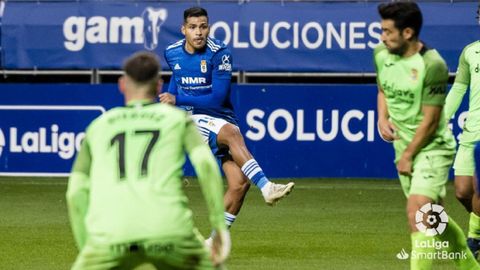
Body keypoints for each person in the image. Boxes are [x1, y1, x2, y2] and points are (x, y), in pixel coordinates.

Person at [66, 51, 230, 269]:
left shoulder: (99, 126)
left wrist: (89, 245)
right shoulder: (177, 119)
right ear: (159, 86)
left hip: (112, 235)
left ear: (122, 84)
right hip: (169, 231)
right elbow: (207, 166)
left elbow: (75, 192)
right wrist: (219, 225)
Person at [160, 6, 294, 232]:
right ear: (183, 30)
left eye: (203, 27)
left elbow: (217, 99)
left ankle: (214, 243)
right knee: (232, 134)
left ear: (208, 28)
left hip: (219, 117)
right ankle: (267, 187)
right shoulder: (172, 52)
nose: (198, 32)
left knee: (239, 184)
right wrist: (172, 109)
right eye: (193, 27)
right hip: (192, 118)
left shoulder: (220, 53)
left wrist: (176, 99)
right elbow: (177, 81)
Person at [374, 2, 479, 269]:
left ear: (407, 32)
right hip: (404, 146)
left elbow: (432, 119)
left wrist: (409, 155)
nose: (382, 37)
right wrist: (382, 118)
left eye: (388, 32)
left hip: (432, 148)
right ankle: (471, 266)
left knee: (418, 212)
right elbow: (382, 88)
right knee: (434, 217)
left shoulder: (433, 65)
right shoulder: (381, 54)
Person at [444, 7, 480, 256]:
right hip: (471, 132)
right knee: (462, 192)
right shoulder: (470, 51)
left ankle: (475, 239)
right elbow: (459, 89)